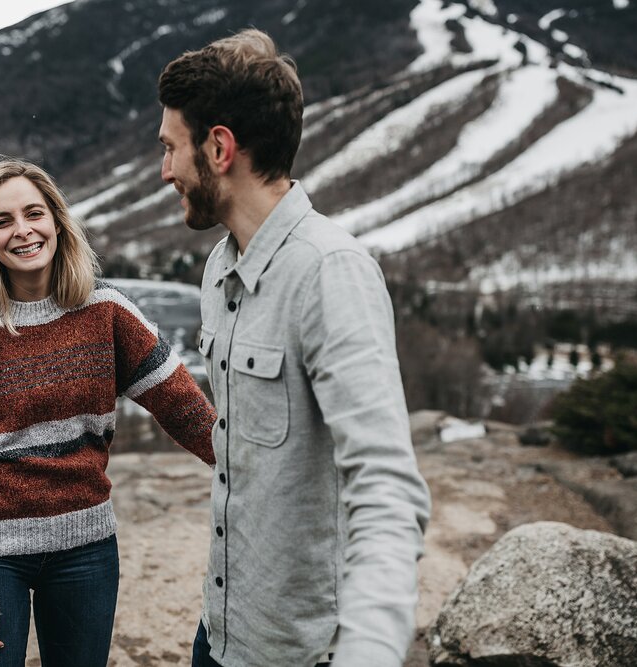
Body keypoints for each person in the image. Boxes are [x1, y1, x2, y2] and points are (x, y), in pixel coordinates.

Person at [157, 30, 433, 667]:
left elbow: (389, 489)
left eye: (171, 148)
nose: (165, 170)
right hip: (222, 631)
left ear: (219, 147)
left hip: (301, 653)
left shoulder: (331, 272)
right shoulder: (219, 270)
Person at [0, 156, 217, 666]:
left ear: (57, 220)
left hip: (86, 550)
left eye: (34, 213)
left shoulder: (107, 311)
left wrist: (258, 466)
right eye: (2, 221)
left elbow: (185, 409)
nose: (23, 231)